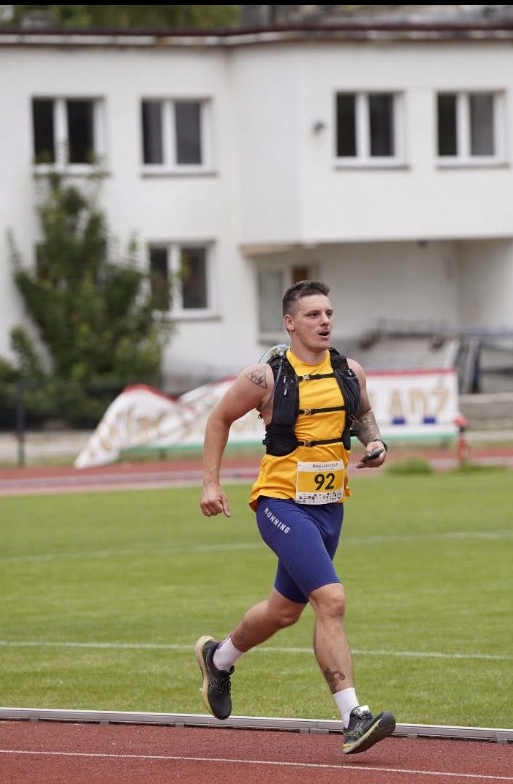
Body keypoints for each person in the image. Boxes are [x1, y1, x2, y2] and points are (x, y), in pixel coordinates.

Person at [195, 279, 397, 755]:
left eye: (328, 313)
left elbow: (363, 415)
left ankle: (218, 659)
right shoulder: (265, 377)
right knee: (331, 599)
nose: (324, 321)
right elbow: (218, 419)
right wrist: (211, 483)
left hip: (329, 507)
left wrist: (375, 442)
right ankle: (354, 717)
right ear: (289, 323)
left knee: (284, 611)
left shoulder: (350, 370)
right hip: (280, 503)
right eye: (312, 314)